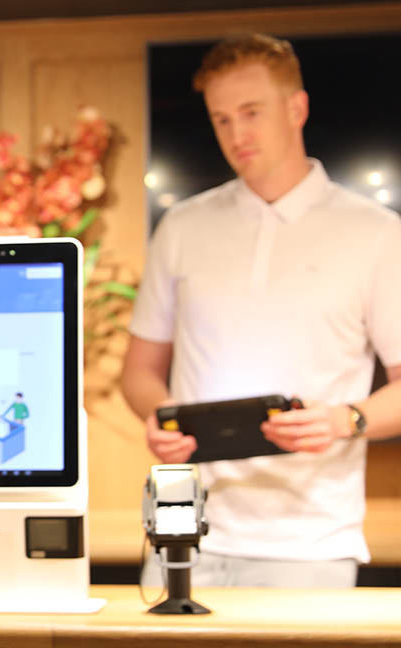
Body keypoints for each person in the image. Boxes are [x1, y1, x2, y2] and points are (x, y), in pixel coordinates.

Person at [122, 33, 401, 588]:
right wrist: (160, 413)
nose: (236, 134)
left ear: (296, 108)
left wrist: (346, 420)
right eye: (221, 119)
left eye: (251, 112)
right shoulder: (182, 226)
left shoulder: (376, 234)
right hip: (183, 531)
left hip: (310, 544)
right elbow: (138, 373)